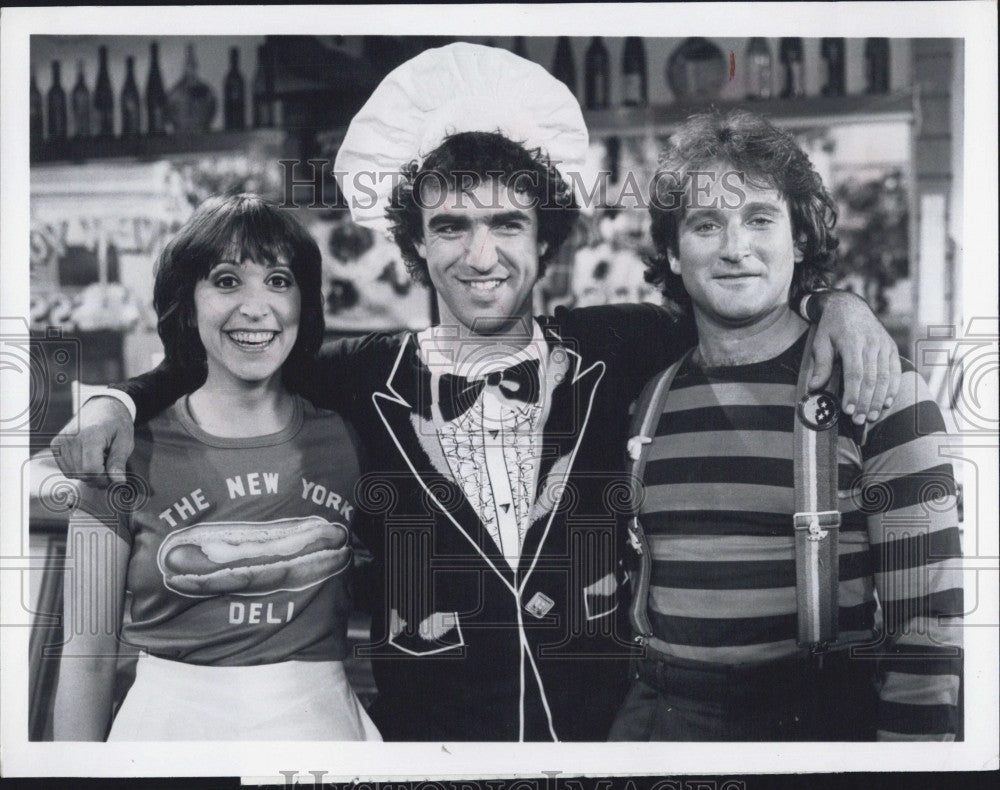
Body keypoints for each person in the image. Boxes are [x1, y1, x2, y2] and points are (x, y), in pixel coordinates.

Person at [50, 44, 901, 742]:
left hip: (607, 744)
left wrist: (836, 303)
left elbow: (742, 305)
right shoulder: (357, 375)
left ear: (547, 243)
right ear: (417, 248)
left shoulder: (626, 345)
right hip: (431, 749)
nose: (480, 254)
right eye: (451, 227)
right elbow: (229, 348)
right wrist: (116, 402)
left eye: (507, 224)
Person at [609, 110, 963, 741]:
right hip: (661, 725)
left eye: (760, 219)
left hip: (815, 726)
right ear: (671, 249)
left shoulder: (881, 388)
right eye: (706, 223)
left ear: (798, 240)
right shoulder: (648, 398)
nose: (735, 247)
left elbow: (929, 622)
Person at [52, 194, 380, 741]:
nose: (256, 308)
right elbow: (86, 657)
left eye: (278, 281)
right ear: (187, 303)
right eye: (227, 281)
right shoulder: (119, 450)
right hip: (164, 734)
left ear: (305, 301)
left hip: (320, 729)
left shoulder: (349, 437)